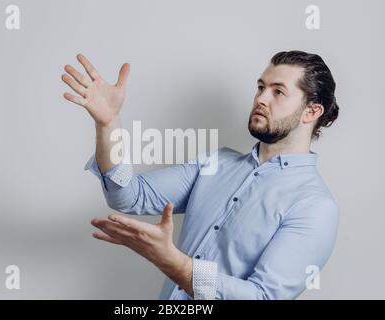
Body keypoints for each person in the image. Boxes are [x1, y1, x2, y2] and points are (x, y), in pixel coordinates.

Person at [61, 50, 340, 300]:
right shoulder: (216, 162)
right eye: (260, 87)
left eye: (278, 92)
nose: (260, 99)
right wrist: (109, 124)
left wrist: (173, 262)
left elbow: (263, 297)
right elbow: (128, 195)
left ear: (312, 111)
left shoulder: (315, 206)